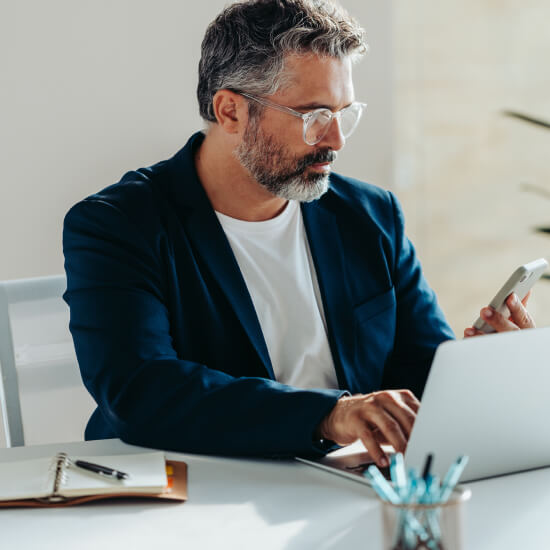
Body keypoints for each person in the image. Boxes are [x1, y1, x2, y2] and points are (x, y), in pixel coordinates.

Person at [63, 0, 535, 467]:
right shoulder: (117, 225)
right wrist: (328, 415)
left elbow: (418, 373)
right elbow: (141, 390)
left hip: (345, 489)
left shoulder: (370, 216)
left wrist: (481, 372)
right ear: (230, 111)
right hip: (190, 489)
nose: (336, 140)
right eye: (313, 117)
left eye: (344, 113)